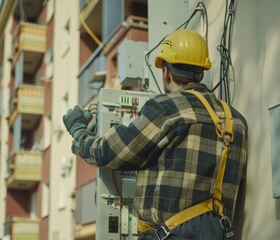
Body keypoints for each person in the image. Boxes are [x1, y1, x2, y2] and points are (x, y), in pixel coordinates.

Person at [63, 29, 247, 240]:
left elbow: (106, 153)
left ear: (166, 72)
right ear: (202, 72)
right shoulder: (236, 121)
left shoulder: (166, 108)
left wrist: (79, 133)